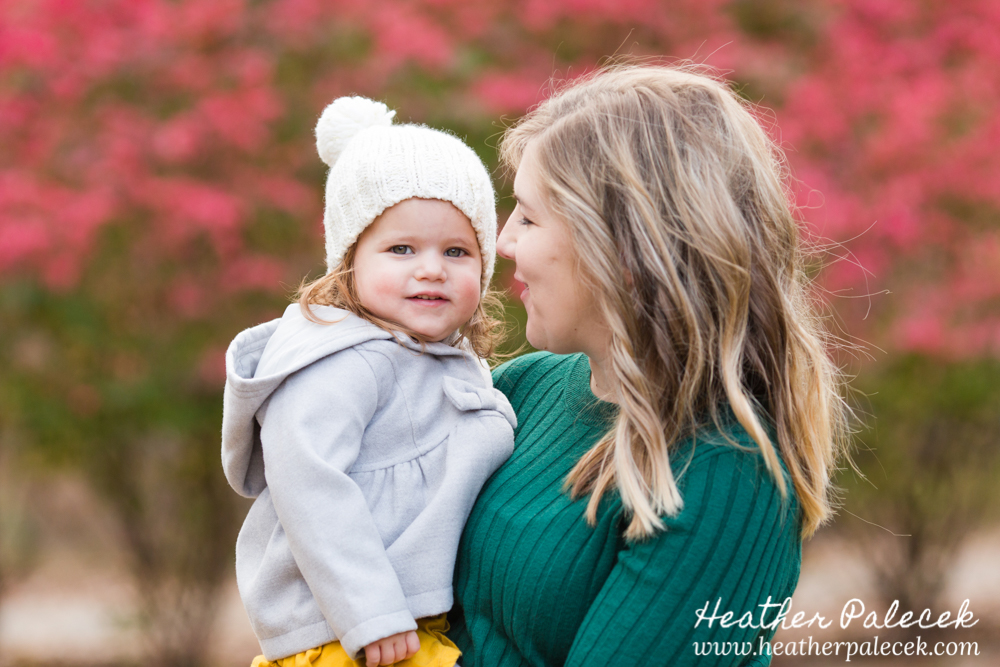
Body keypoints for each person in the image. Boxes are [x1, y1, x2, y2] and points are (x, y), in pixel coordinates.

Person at [450, 65, 849, 666]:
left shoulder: (724, 476)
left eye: (529, 217)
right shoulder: (521, 391)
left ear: (623, 249)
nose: (502, 242)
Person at [221, 96, 515, 667]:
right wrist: (368, 612)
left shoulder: (442, 361)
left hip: (407, 623)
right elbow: (311, 484)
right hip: (339, 630)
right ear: (350, 260)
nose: (430, 267)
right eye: (401, 249)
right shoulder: (340, 359)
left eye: (456, 250)